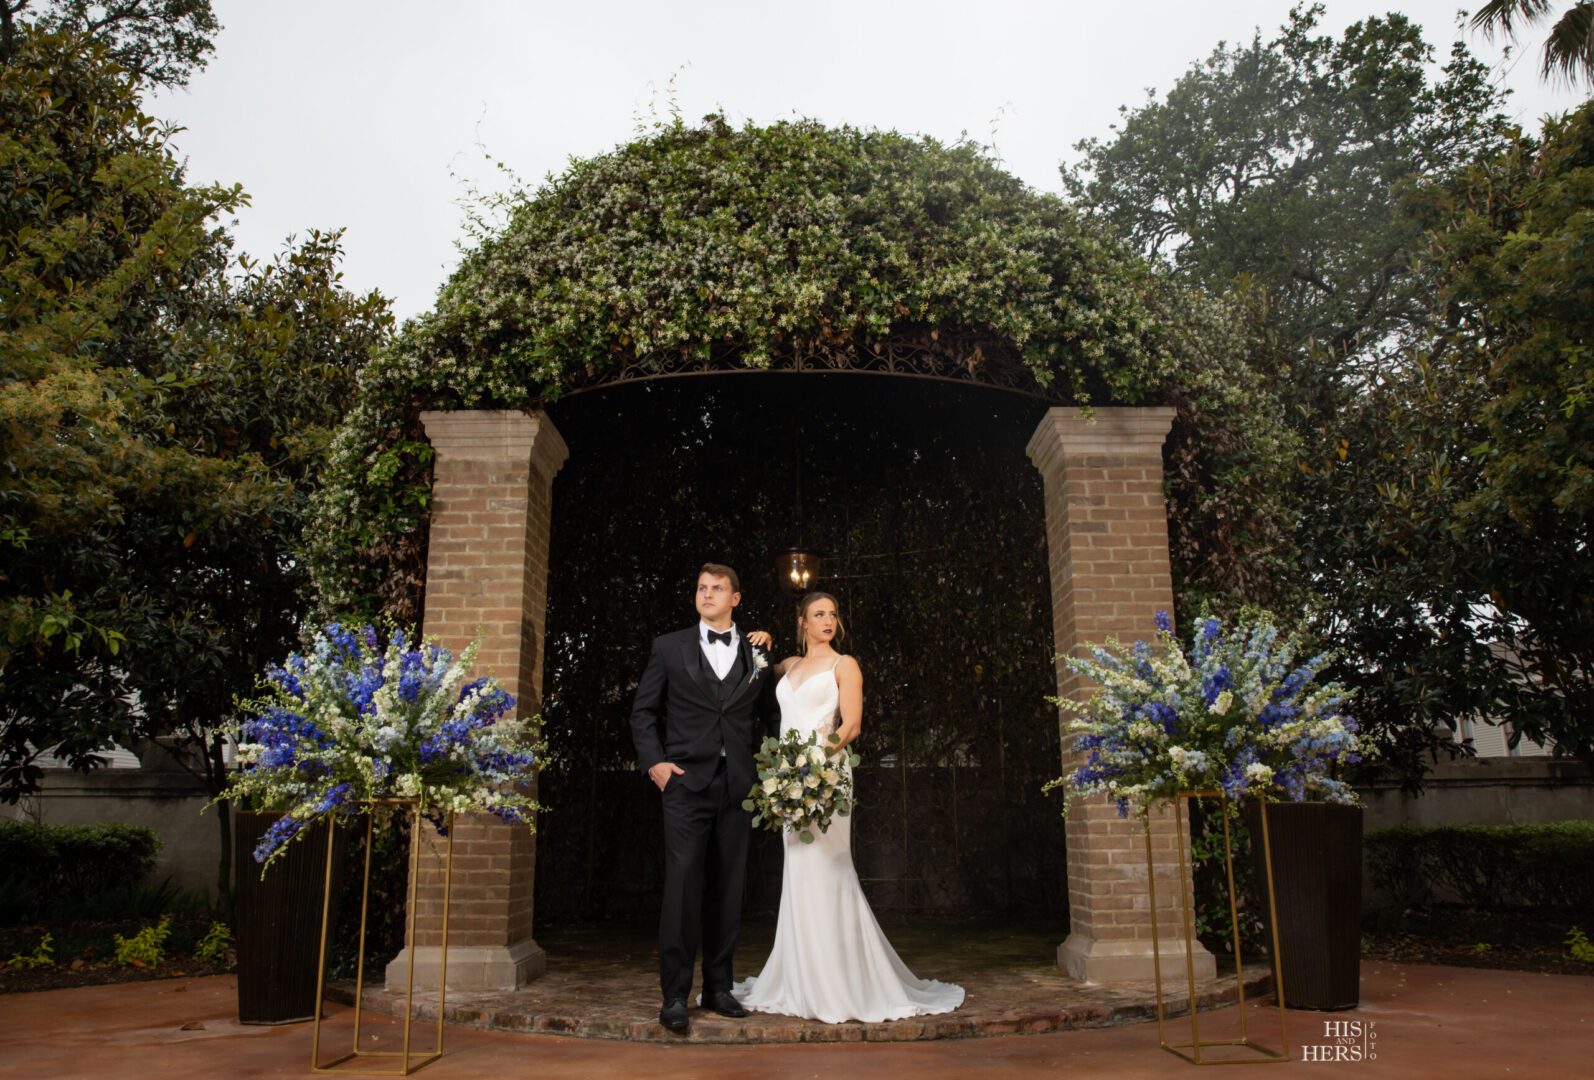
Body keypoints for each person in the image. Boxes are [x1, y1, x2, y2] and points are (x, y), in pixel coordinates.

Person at [732, 590, 965, 1023]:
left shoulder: (846, 665)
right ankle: (801, 977)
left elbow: (852, 724)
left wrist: (817, 768)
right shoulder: (787, 667)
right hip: (788, 778)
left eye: (833, 615)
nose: (828, 621)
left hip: (826, 775)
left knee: (829, 866)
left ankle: (843, 980)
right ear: (802, 621)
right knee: (798, 870)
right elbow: (754, 673)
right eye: (818, 614)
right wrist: (756, 642)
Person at [629, 563, 781, 1033]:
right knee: (682, 888)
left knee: (727, 888)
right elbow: (643, 711)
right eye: (701, 588)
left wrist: (771, 770)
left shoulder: (756, 652)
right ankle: (674, 995)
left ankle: (718, 988)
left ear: (736, 598)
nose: (707, 594)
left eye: (717, 588)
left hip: (738, 787)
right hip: (684, 785)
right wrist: (655, 764)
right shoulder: (668, 647)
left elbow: (772, 718)